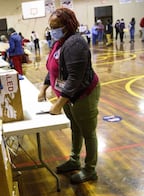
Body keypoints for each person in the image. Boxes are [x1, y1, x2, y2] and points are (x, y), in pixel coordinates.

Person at [37, 7, 100, 184]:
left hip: (83, 94)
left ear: (67, 25)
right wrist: (43, 88)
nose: (52, 30)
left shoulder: (75, 43)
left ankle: (90, 169)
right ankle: (74, 160)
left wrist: (58, 103)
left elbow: (75, 77)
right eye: (50, 27)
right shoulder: (59, 43)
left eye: (55, 26)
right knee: (75, 126)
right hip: (67, 96)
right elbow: (53, 69)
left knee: (88, 131)